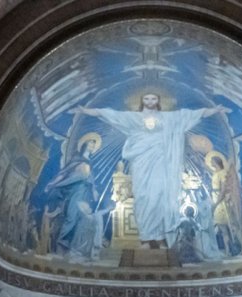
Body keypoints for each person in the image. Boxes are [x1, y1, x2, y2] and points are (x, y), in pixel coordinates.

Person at [76, 93, 227, 248]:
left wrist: (213, 110)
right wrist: (87, 111)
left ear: (158, 101)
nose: (150, 101)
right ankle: (146, 238)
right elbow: (112, 114)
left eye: (153, 98)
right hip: (141, 164)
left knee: (161, 197)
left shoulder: (169, 118)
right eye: (146, 98)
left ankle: (161, 238)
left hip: (161, 164)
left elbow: (189, 115)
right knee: (143, 197)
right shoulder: (133, 118)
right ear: (142, 101)